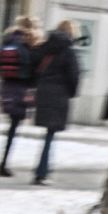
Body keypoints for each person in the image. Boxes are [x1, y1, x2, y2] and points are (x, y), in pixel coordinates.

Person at [31, 20, 81, 186]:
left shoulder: (45, 47)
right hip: (59, 95)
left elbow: (34, 65)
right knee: (50, 136)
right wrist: (71, 93)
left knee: (48, 135)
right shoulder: (68, 51)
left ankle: (42, 169)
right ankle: (42, 172)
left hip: (43, 92)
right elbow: (74, 75)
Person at [0, 16, 42, 177]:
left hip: (6, 88)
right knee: (14, 127)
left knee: (12, 126)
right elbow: (36, 73)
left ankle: (3, 162)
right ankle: (4, 163)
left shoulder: (8, 41)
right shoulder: (31, 45)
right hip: (23, 90)